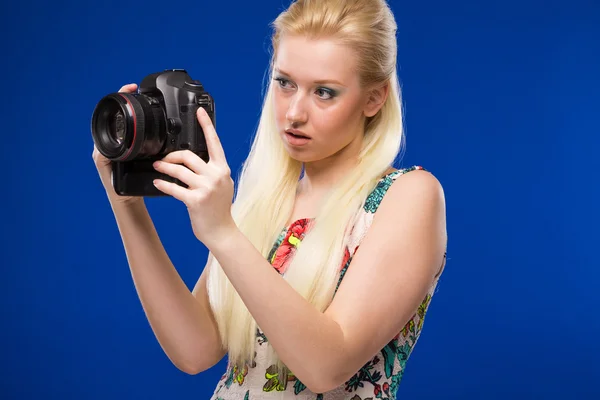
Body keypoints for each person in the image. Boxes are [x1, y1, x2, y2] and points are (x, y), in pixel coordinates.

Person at [92, 0, 447, 398]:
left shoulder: (407, 197)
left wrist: (222, 233)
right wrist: (126, 203)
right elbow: (194, 349)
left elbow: (326, 366)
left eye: (324, 92)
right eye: (284, 83)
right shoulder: (264, 203)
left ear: (374, 98)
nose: (294, 112)